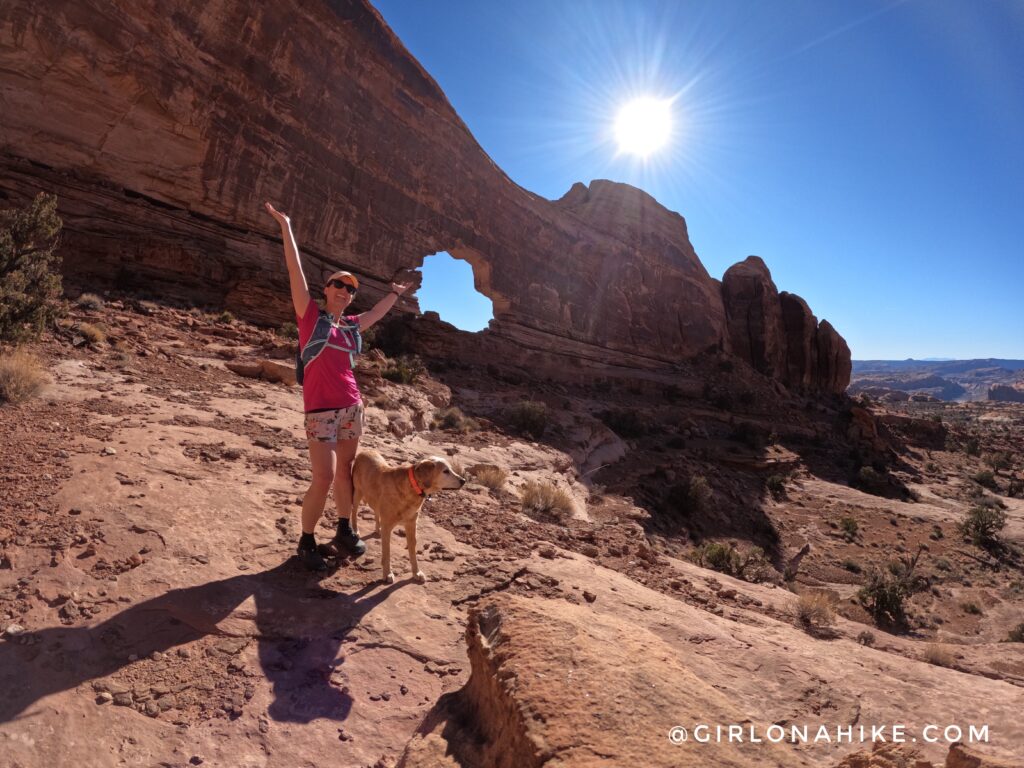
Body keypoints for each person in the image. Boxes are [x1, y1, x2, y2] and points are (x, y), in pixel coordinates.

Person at [264, 202, 410, 571]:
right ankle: (307, 540)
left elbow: (376, 314)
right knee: (324, 477)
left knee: (345, 472)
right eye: (339, 284)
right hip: (320, 411)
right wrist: (287, 225)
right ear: (326, 289)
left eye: (350, 288)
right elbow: (294, 270)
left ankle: (345, 529)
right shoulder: (310, 318)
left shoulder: (350, 327)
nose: (345, 289)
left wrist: (394, 294)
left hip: (350, 407)